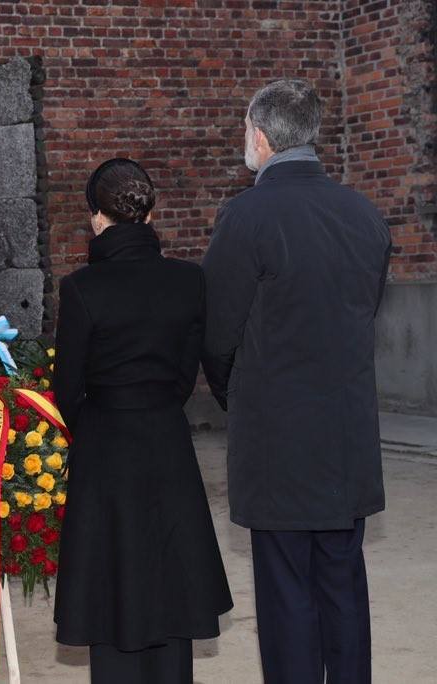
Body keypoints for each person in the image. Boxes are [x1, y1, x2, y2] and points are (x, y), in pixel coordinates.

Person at [201, 79, 392, 684]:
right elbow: (365, 313)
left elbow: (217, 331)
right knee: (343, 581)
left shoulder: (246, 215)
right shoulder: (365, 215)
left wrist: (240, 399)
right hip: (345, 434)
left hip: (277, 438)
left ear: (260, 135)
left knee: (285, 591)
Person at [53, 158, 233, 684]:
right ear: (151, 215)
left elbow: (66, 390)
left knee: (111, 583)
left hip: (105, 446)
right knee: (170, 578)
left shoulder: (82, 288)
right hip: (166, 441)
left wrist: (99, 419)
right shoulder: (188, 281)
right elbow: (185, 376)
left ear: (97, 219)